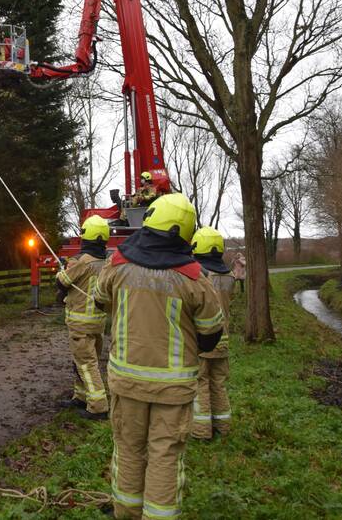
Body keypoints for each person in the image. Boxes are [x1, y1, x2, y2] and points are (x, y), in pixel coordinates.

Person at [95, 193, 223, 520]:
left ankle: (125, 513)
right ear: (185, 233)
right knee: (165, 455)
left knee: (128, 450)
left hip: (126, 383)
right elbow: (211, 334)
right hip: (173, 389)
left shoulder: (118, 265)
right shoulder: (196, 278)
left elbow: (99, 300)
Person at [55, 214, 111, 420]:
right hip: (97, 323)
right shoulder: (106, 262)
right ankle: (81, 396)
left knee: (86, 363)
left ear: (86, 236)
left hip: (80, 323)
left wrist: (64, 267)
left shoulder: (83, 261)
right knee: (84, 360)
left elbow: (62, 282)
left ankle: (98, 406)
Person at [190, 226, 236, 440]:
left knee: (200, 383)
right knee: (218, 384)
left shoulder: (200, 275)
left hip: (203, 339)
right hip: (223, 340)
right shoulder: (229, 276)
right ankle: (223, 426)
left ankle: (201, 431)